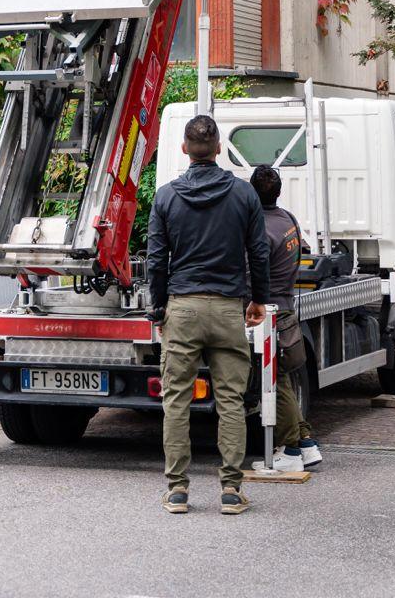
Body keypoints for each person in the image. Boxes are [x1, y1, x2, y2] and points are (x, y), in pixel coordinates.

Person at [147, 113, 270, 516]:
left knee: (176, 401)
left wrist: (158, 308)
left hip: (182, 308)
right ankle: (232, 490)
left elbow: (156, 259)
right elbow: (259, 252)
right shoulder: (244, 195)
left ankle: (178, 490)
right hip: (227, 309)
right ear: (218, 148)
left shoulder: (166, 196)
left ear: (185, 149)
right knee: (231, 400)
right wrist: (259, 300)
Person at [248, 164, 323, 473]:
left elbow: (253, 275)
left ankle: (291, 448)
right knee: (286, 377)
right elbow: (302, 251)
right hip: (287, 306)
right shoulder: (288, 220)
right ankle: (305, 442)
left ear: (251, 193)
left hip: (269, 313)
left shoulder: (259, 231)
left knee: (275, 380)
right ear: (278, 192)